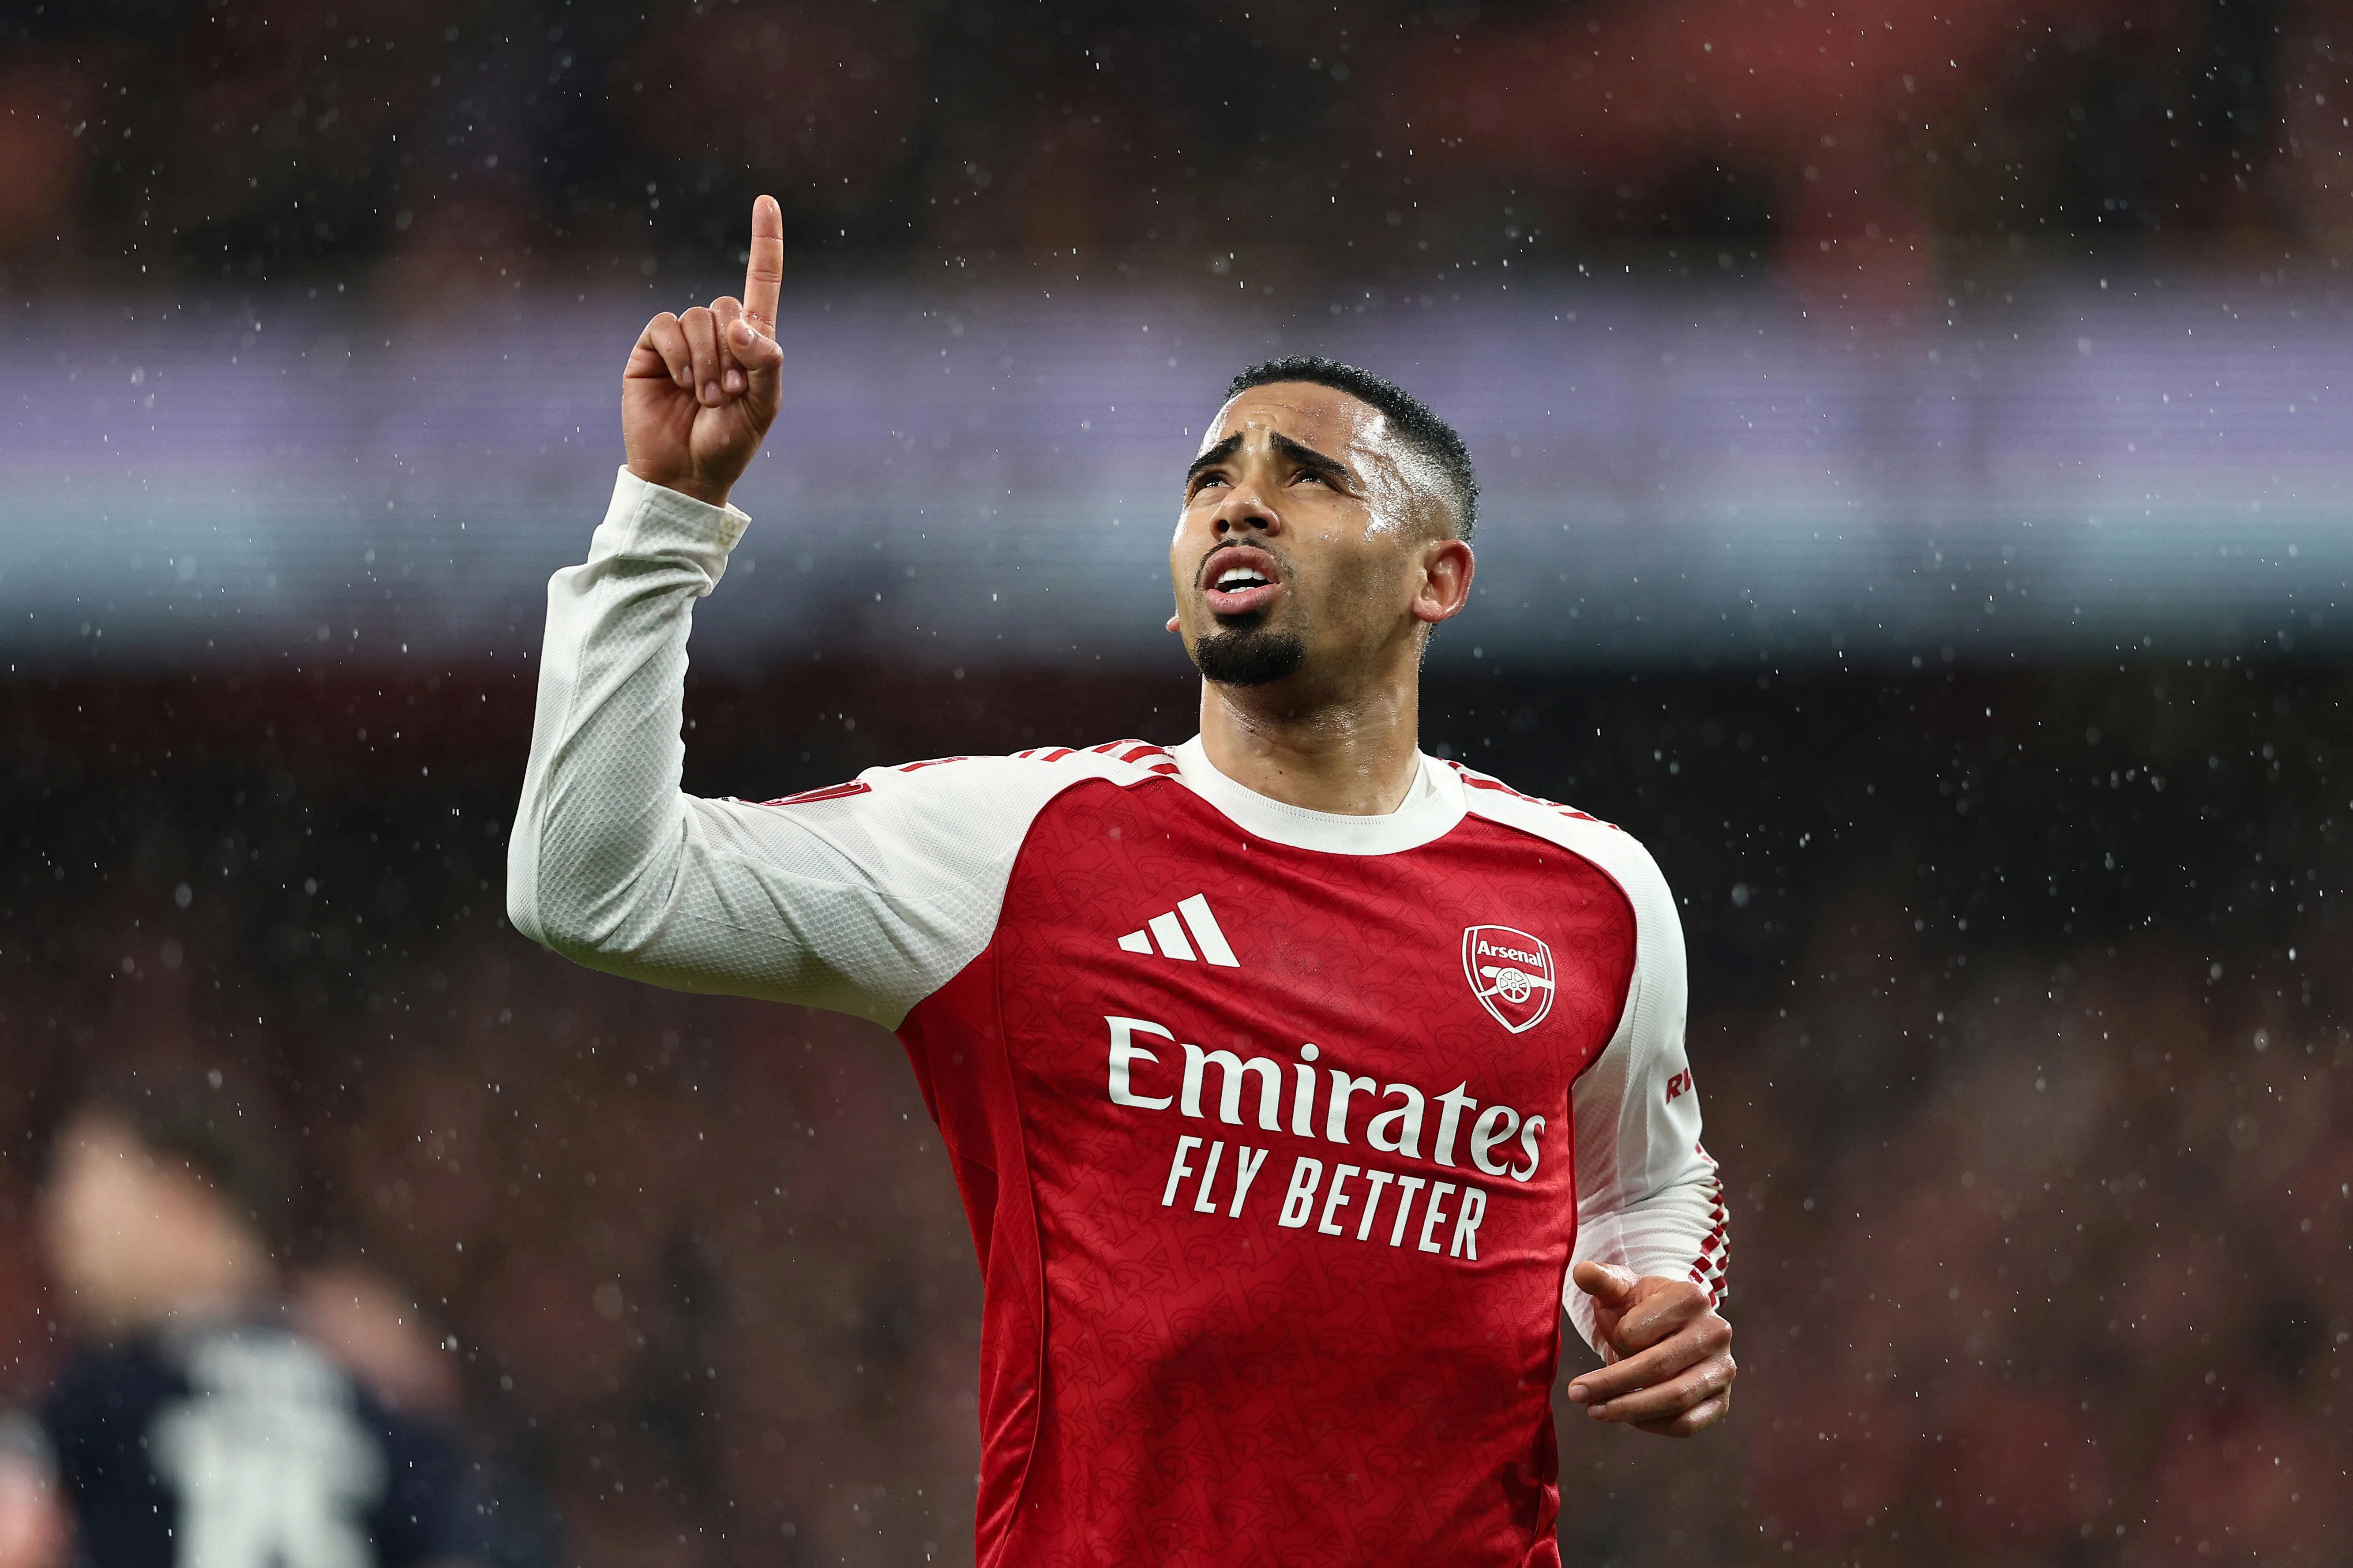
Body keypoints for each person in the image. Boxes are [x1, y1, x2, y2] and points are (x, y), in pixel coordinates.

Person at [508, 195, 1735, 1566]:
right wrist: (665, 515)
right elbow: (593, 885)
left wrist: (1660, 1302)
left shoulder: (1590, 890)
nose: (1240, 497)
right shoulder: (1018, 842)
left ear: (1434, 578)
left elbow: (1647, 1185)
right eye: (1209, 478)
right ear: (1177, 586)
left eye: (1309, 476)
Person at [0, 1076, 491, 1568]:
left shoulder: (100, 1398)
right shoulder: (374, 1394)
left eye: (83, 1180)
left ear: (181, 1195)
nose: (59, 1221)